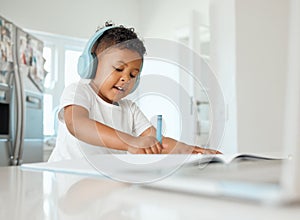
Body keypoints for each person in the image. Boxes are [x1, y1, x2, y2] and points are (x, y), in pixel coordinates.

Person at [48, 22, 221, 162]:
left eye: (133, 75)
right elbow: (77, 125)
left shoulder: (129, 109)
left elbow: (156, 141)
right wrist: (131, 141)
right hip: (66, 178)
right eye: (118, 69)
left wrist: (191, 150)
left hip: (101, 182)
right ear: (92, 65)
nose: (126, 79)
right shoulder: (80, 91)